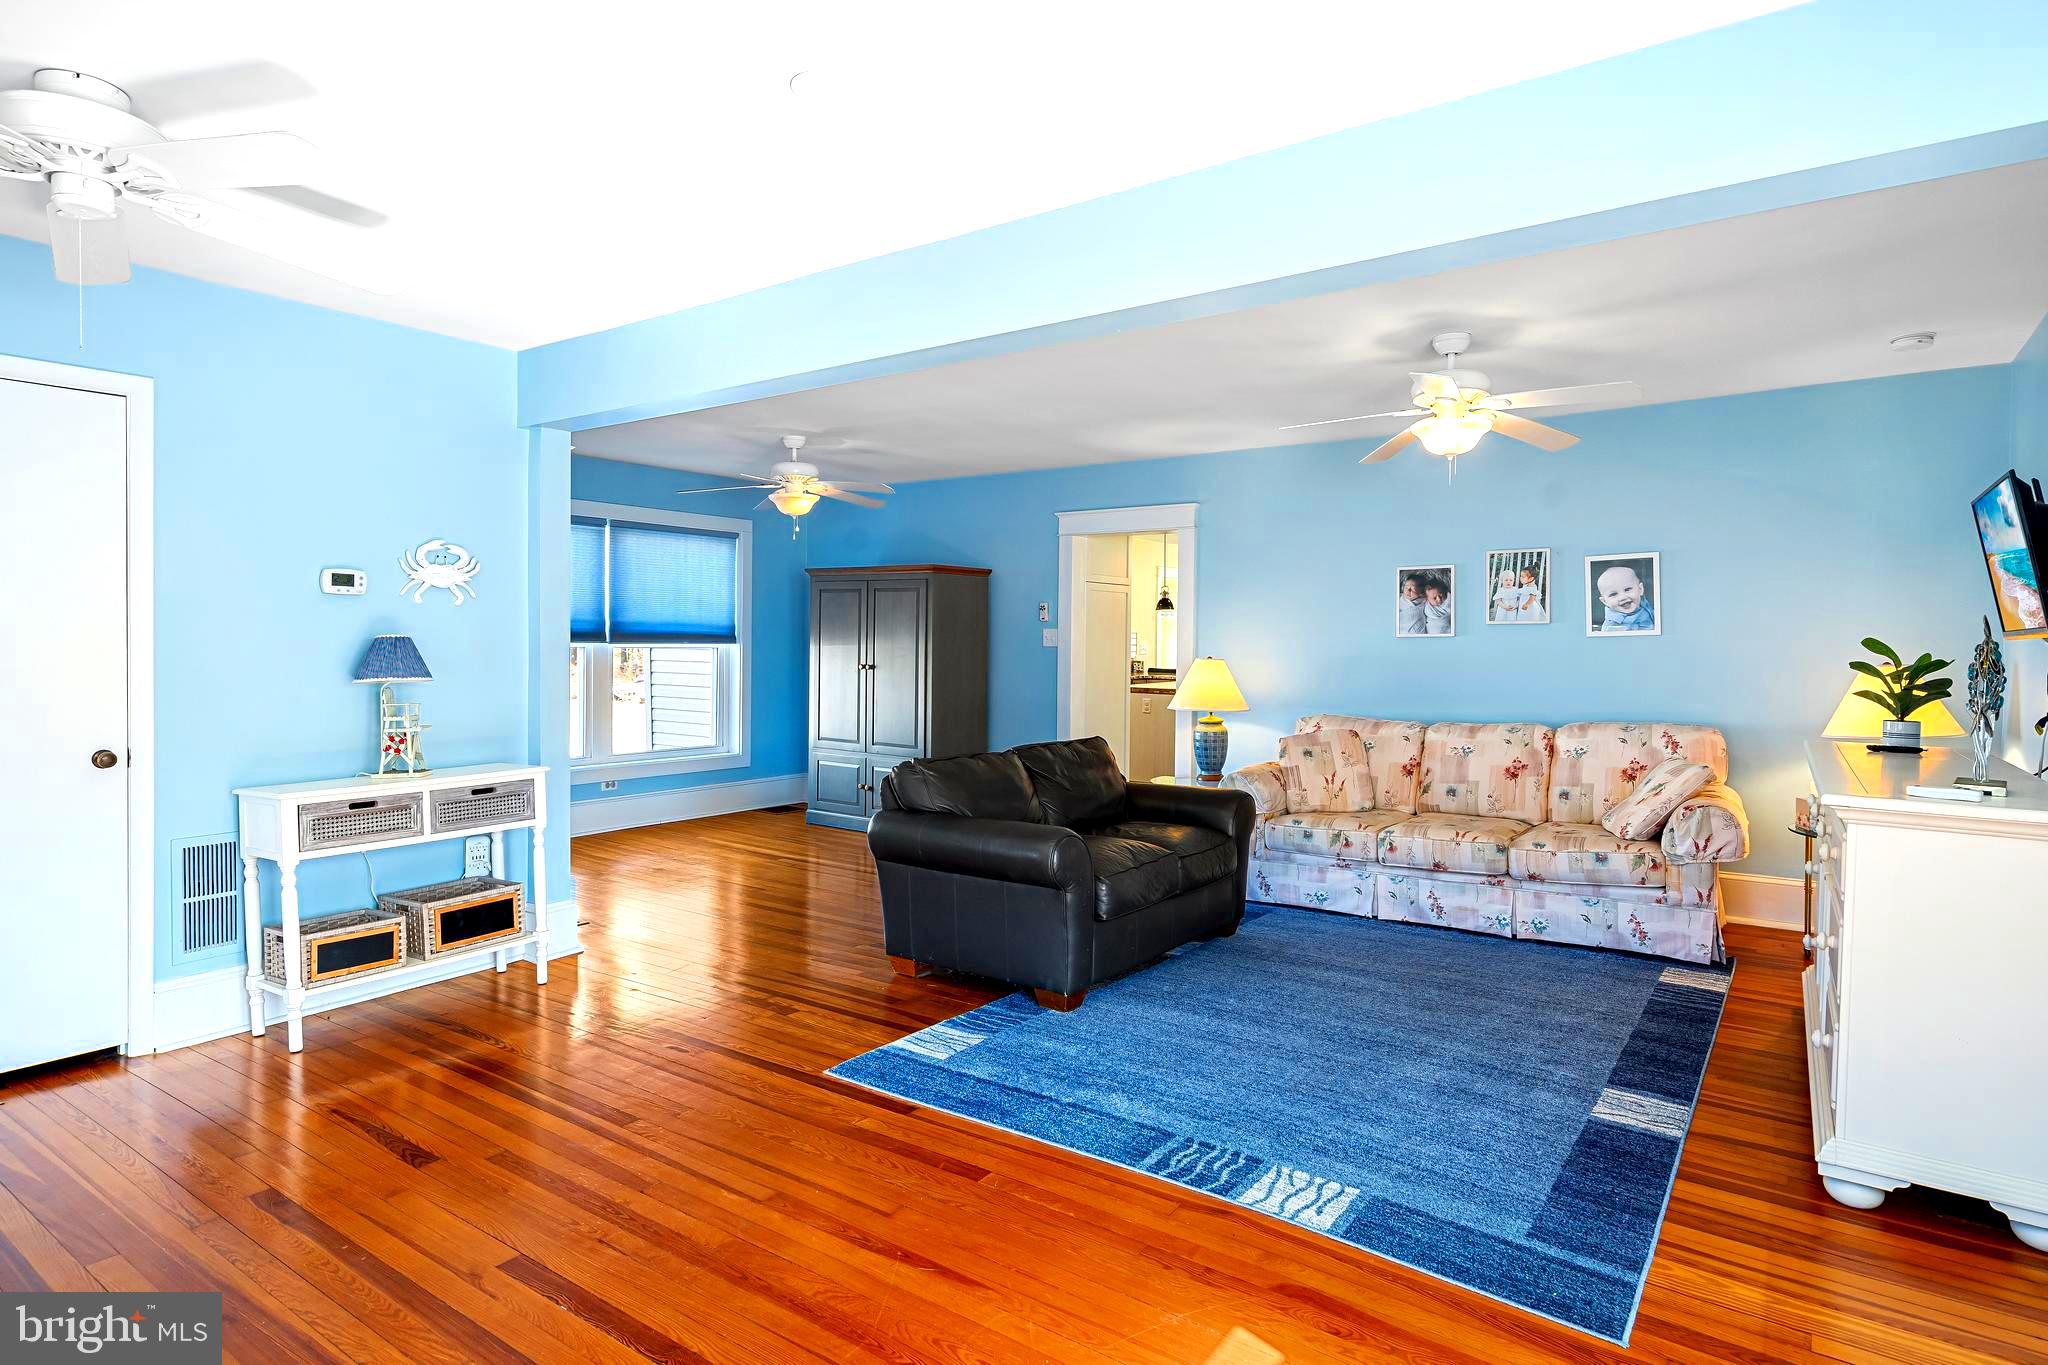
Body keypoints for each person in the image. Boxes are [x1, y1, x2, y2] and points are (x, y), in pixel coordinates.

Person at [1595, 563, 1655, 632]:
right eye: (1613, 594)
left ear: (1640, 589)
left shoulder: (1642, 603)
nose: (1622, 597)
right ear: (1605, 601)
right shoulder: (1613, 627)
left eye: (1627, 589)